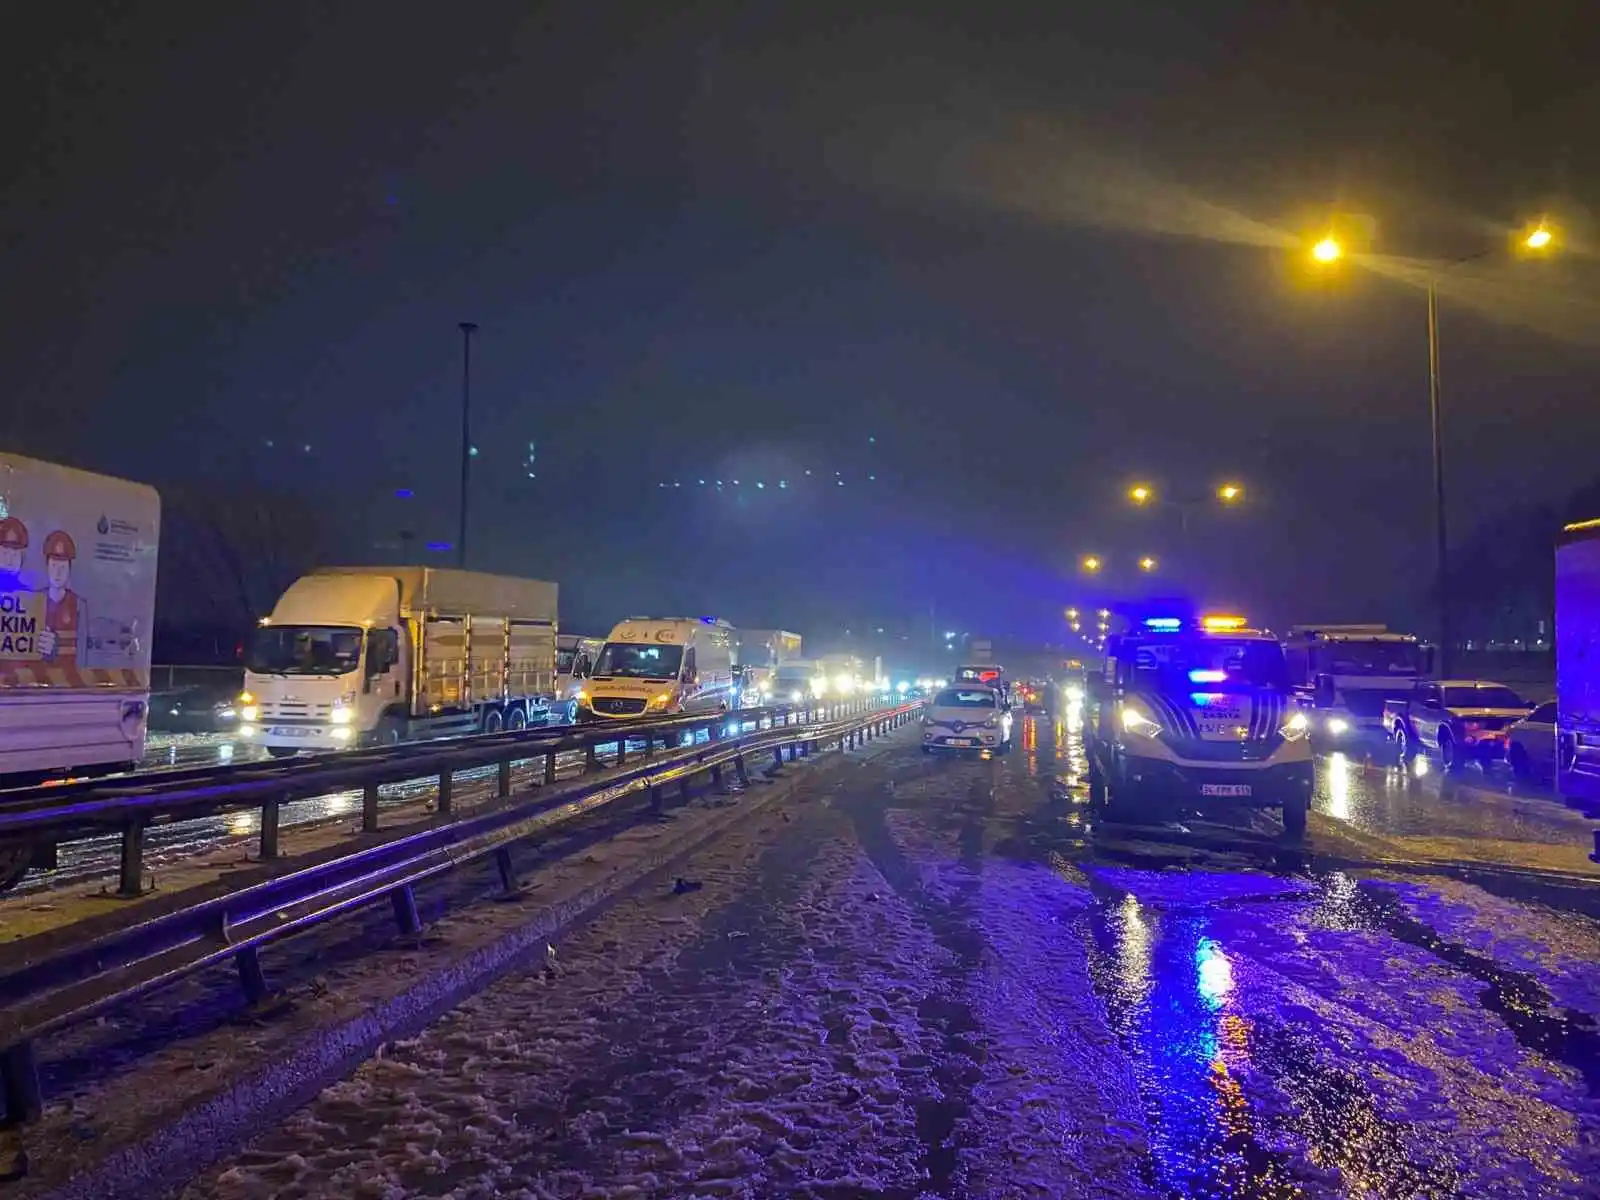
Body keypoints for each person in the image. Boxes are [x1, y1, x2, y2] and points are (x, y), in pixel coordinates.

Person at [38, 530, 84, 663]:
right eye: (53, 565)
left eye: (63, 567)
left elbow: (84, 649)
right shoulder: (34, 601)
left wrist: (57, 646)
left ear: (70, 569)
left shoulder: (79, 605)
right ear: (47, 566)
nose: (58, 573)